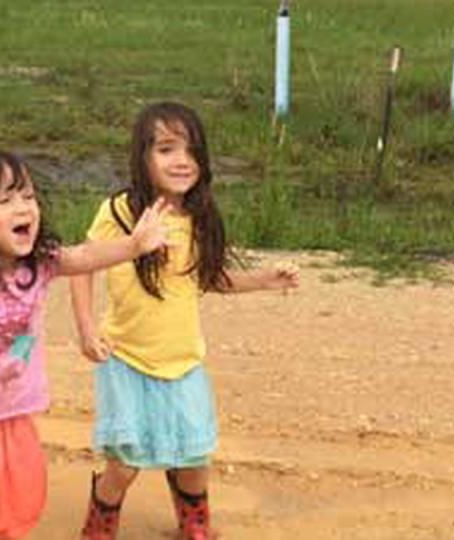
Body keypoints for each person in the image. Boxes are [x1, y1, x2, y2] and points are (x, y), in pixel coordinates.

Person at [0, 150, 172, 540]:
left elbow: (85, 255)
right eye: (4, 200)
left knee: (7, 507)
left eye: (27, 196)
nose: (22, 207)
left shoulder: (40, 263)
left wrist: (135, 245)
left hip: (11, 412)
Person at [71, 102, 300, 540]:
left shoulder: (199, 216)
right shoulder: (119, 211)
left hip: (183, 362)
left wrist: (264, 280)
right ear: (142, 156)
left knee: (195, 457)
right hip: (127, 358)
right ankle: (98, 525)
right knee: (125, 463)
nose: (182, 161)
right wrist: (86, 329)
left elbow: (208, 278)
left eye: (192, 151)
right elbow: (82, 265)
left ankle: (194, 526)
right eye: (166, 149)